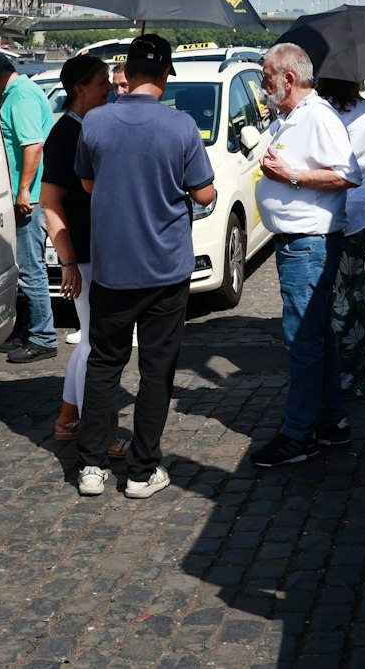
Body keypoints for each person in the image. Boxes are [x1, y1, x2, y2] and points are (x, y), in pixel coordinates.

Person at [72, 34, 216, 498]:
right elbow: (205, 193)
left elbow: (88, 183)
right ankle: (141, 471)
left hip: (113, 266)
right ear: (165, 76)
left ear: (126, 74)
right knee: (157, 370)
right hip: (165, 270)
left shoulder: (94, 122)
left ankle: (91, 466)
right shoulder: (181, 127)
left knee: (104, 364)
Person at [250, 43, 359, 468]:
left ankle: (299, 434)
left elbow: (347, 174)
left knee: (303, 342)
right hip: (300, 244)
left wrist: (290, 175)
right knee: (316, 338)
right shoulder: (293, 116)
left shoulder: (317, 115)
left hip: (308, 245)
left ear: (287, 79)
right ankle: (331, 423)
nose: (262, 86)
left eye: (265, 78)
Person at [40, 55, 113, 444]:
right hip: (83, 253)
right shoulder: (67, 134)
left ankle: (69, 418)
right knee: (95, 342)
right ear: (80, 89)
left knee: (90, 339)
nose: (111, 88)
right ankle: (94, 431)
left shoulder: (88, 127)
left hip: (93, 251)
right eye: (103, 82)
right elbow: (50, 202)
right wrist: (68, 260)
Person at [319, 76, 365, 401]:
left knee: (326, 295)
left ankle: (326, 376)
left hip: (323, 212)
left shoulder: (315, 112)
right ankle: (357, 379)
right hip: (362, 210)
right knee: (359, 296)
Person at [0, 50, 59, 363]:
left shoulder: (22, 96)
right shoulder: (17, 95)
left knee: (30, 269)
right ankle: (27, 329)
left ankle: (43, 336)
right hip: (26, 195)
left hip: (32, 198)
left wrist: (24, 190)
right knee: (23, 267)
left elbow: (33, 145)